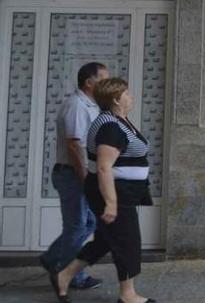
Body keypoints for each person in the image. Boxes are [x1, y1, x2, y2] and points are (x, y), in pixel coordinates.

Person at [51, 78, 155, 303]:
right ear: (117, 100)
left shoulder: (119, 120)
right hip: (113, 192)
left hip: (123, 191)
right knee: (127, 240)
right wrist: (111, 203)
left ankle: (65, 274)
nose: (131, 96)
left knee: (107, 240)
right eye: (127, 93)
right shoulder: (110, 126)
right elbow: (103, 166)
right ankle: (128, 295)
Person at [39, 62, 109, 291]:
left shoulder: (90, 104)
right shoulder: (77, 106)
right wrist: (85, 179)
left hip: (77, 173)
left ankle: (52, 259)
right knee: (78, 225)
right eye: (103, 79)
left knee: (87, 223)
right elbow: (74, 145)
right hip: (72, 175)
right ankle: (67, 275)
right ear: (89, 82)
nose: (106, 83)